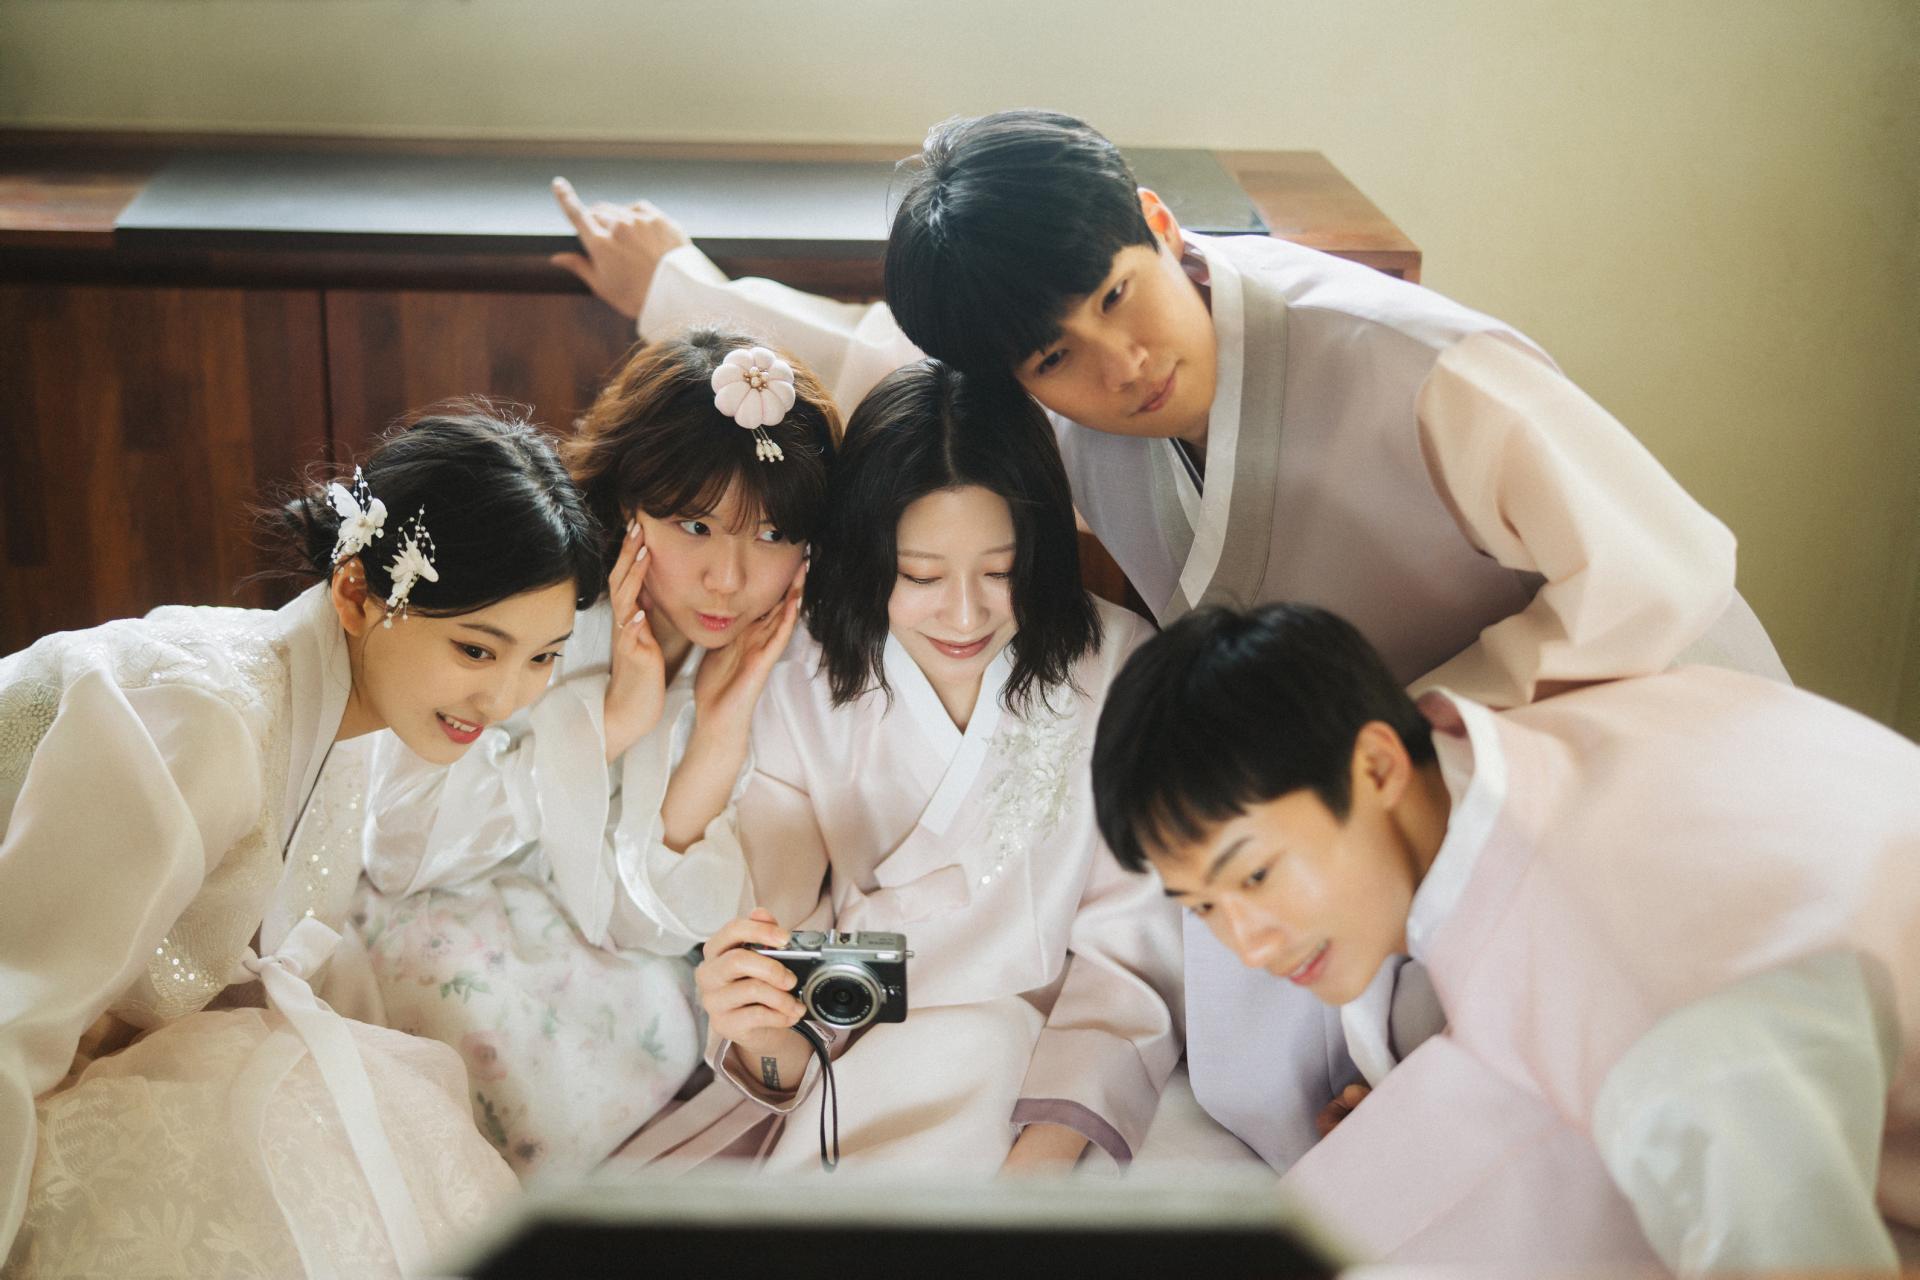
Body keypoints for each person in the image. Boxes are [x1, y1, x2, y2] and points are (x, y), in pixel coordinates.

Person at [548, 108, 1789, 1167]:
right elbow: (886, 367)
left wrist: (1406, 731)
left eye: (1118, 295)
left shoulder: (1417, 363)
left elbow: (1662, 571)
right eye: (1057, 354)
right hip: (1340, 793)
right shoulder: (1045, 427)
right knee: (1256, 1050)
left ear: (1157, 221)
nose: (1125, 363)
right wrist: (675, 291)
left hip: (1595, 728)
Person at [1089, 601, 1920, 1271]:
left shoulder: (1652, 1017)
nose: (1249, 947)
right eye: (1202, 907)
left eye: (1255, 875)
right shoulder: (1516, 744)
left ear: (1377, 767)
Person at [0, 407, 604, 1276]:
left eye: (543, 658)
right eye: (477, 650)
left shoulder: (338, 714)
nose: (505, 699)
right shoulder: (208, 721)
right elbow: (15, 1015)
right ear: (356, 593)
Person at [632, 361, 1184, 1174]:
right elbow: (786, 955)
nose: (963, 615)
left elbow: (1131, 960)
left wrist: (1036, 1173)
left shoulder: (1119, 663)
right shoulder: (800, 674)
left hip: (1056, 1079)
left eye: (1000, 572)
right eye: (921, 575)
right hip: (860, 1060)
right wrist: (757, 1020)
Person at [351, 330, 835, 1178]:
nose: (728, 577)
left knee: (641, 1024)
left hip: (622, 970)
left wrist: (716, 736)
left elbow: (652, 925)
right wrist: (608, 722)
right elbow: (402, 847)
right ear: (630, 508)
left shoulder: (787, 671)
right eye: (694, 526)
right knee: (452, 1000)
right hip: (440, 908)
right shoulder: (546, 613)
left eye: (772, 535)